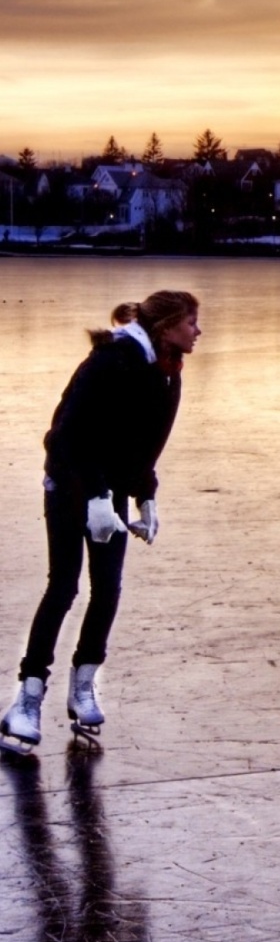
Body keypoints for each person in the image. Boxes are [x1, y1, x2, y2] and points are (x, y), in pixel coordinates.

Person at [0, 290, 200, 753]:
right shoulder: (111, 362)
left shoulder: (167, 372)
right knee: (64, 586)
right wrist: (93, 497)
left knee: (107, 588)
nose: (198, 331)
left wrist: (146, 496)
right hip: (70, 484)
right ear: (167, 324)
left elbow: (142, 445)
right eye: (191, 322)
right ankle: (26, 699)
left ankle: (84, 683)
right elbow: (64, 437)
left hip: (110, 490)